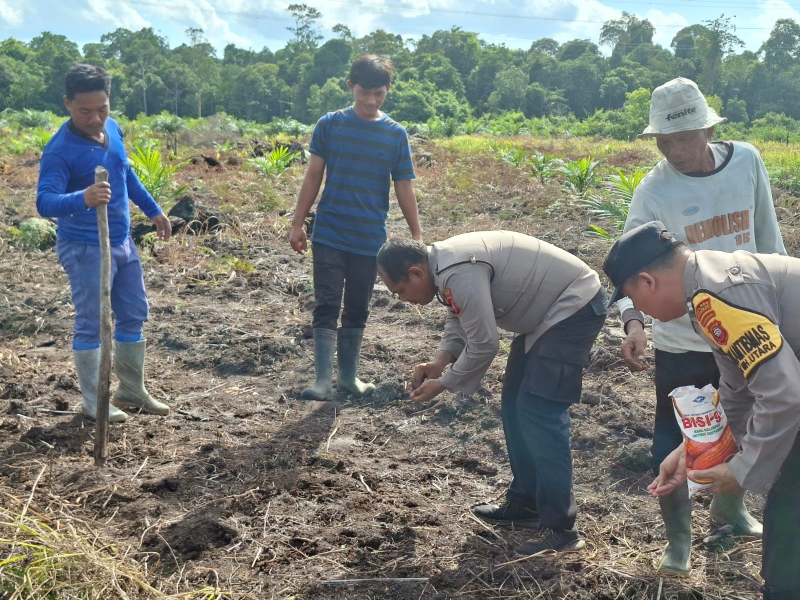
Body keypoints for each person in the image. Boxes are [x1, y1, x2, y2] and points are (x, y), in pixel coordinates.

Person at [615, 77, 785, 574]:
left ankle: (731, 511)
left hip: (749, 332)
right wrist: (632, 322)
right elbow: (629, 265)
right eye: (664, 142)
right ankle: (678, 540)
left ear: (708, 129)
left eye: (684, 138)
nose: (675, 151)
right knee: (677, 436)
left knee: (742, 426)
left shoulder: (748, 162)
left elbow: (769, 239)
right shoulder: (653, 190)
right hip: (684, 338)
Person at [603, 220, 800, 599]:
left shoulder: (717, 294)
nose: (641, 312)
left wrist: (741, 470)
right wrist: (691, 449)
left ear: (647, 281)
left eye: (635, 301)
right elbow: (739, 389)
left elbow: (784, 395)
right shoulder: (709, 283)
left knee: (789, 497)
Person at [376, 231, 606, 554]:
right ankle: (527, 504)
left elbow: (485, 344)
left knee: (539, 410)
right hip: (547, 316)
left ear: (417, 273)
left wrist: (442, 384)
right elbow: (459, 313)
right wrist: (440, 361)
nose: (401, 299)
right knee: (514, 403)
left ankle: (561, 529)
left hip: (574, 306)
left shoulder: (457, 269)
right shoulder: (443, 267)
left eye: (400, 290)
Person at [36, 64, 172, 423]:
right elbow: (44, 202)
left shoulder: (111, 128)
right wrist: (84, 196)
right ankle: (94, 400)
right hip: (85, 247)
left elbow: (125, 171)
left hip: (122, 241)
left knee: (133, 314)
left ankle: (130, 390)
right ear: (67, 103)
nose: (96, 119)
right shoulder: (59, 151)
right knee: (92, 323)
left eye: (102, 109)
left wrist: (153, 210)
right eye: (85, 111)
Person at [289, 54, 422, 401]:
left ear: (388, 90)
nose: (370, 101)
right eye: (364, 93)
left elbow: (404, 186)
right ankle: (322, 381)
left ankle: (348, 378)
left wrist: (417, 235)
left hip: (369, 239)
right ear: (351, 87)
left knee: (359, 306)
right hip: (330, 233)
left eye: (378, 94)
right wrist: (297, 224)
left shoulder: (395, 135)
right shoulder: (329, 125)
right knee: (327, 302)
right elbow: (313, 176)